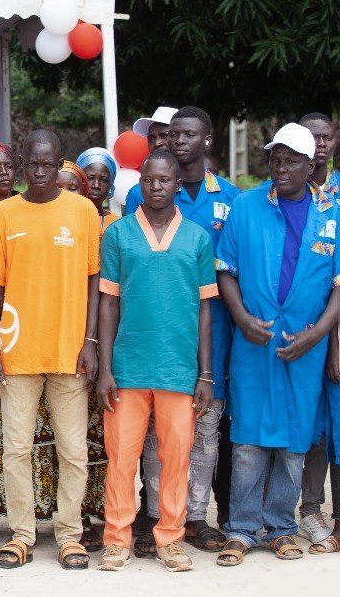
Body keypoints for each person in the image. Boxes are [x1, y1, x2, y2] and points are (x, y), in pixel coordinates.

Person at [214, 123, 340, 567]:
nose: (280, 168)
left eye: (290, 161)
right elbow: (224, 268)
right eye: (274, 159)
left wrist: (317, 334)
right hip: (254, 343)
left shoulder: (332, 213)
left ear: (310, 166)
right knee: (247, 441)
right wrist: (242, 318)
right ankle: (243, 530)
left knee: (293, 441)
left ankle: (282, 528)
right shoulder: (247, 206)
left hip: (306, 348)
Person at [0, 129, 100, 571]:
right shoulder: (3, 214)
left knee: (73, 450)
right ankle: (22, 534)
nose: (41, 171)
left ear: (61, 162)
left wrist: (89, 342)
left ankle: (69, 535)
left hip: (69, 351)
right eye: (33, 163)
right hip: (17, 351)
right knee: (16, 449)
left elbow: (94, 281)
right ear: (23, 164)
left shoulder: (83, 212)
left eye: (49, 163)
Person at [124, 106, 241, 555]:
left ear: (207, 140)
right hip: (158, 338)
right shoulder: (144, 196)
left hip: (213, 333)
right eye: (172, 135)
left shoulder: (230, 198)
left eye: (188, 134)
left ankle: (195, 519)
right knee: (158, 436)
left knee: (206, 434)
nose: (178, 141)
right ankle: (154, 516)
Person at [95, 151, 218, 572]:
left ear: (176, 185)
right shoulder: (119, 234)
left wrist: (205, 373)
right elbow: (107, 304)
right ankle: (117, 539)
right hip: (128, 367)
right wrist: (105, 368)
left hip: (178, 369)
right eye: (149, 180)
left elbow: (205, 310)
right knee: (122, 458)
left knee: (176, 457)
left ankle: (170, 537)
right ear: (139, 183)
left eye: (165, 180)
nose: (157, 186)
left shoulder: (198, 238)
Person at [55, 159, 109, 552]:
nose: (69, 192)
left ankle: (85, 519)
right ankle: (43, 521)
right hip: (41, 346)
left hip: (84, 346)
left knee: (86, 444)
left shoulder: (98, 222)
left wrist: (91, 340)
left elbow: (101, 286)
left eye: (76, 186)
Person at [299, 112, 340, 548]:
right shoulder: (287, 194)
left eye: (327, 137)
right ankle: (309, 509)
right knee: (310, 428)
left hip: (335, 329)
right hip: (304, 332)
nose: (321, 144)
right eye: (313, 137)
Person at [77, 147, 120, 234]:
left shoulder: (117, 224)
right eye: (90, 178)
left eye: (104, 180)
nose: (96, 185)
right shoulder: (66, 217)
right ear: (78, 179)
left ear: (110, 185)